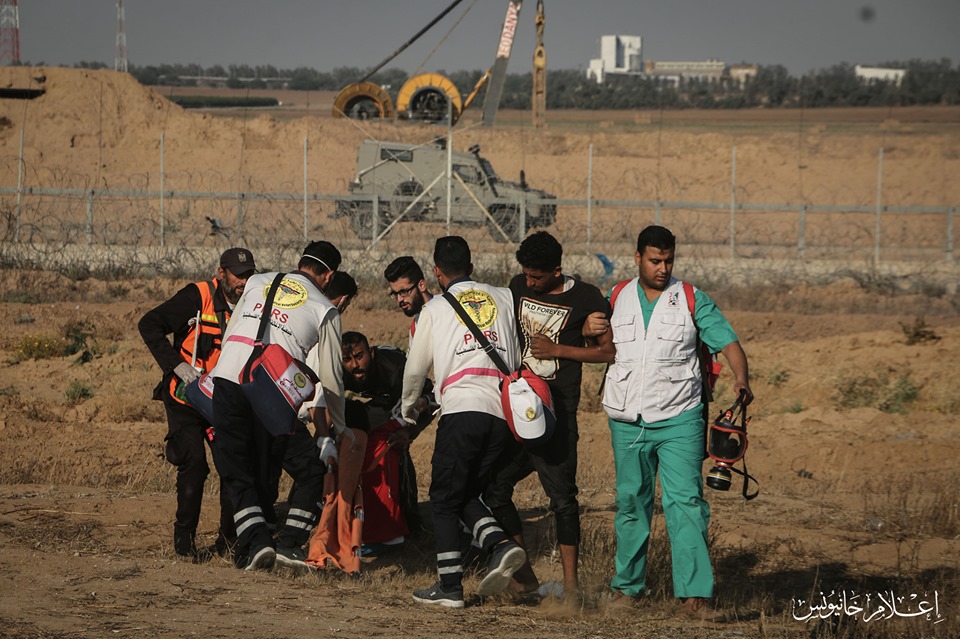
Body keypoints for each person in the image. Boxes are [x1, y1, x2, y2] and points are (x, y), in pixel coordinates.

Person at [600, 225, 753, 621]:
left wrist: (741, 379)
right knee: (632, 502)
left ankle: (695, 598)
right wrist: (586, 328)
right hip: (627, 419)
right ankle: (626, 590)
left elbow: (728, 342)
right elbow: (595, 339)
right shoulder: (617, 297)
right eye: (655, 260)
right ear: (638, 258)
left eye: (668, 260)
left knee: (686, 502)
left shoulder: (690, 298)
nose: (663, 268)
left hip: (680, 417)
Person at [484, 231, 615, 603]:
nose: (529, 282)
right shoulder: (516, 286)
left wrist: (559, 348)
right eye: (526, 274)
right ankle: (525, 580)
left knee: (562, 500)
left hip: (558, 414)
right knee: (495, 488)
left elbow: (608, 353)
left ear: (557, 270)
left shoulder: (586, 297)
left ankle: (572, 590)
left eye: (537, 277)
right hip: (517, 409)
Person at [400, 236, 528, 609]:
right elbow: (517, 354)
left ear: (437, 273)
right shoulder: (504, 297)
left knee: (441, 496)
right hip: (503, 414)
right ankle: (498, 546)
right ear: (472, 267)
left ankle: (452, 586)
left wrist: (409, 410)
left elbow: (414, 370)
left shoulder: (435, 309)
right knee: (462, 492)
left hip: (462, 410)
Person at [208, 240, 347, 572]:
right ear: (328, 276)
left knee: (238, 468)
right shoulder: (324, 308)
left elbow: (231, 332)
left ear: (301, 263)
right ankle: (287, 543)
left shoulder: (257, 281)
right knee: (310, 468)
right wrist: (335, 430)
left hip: (227, 378)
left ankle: (255, 543)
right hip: (271, 392)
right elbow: (331, 378)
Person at [138, 247, 256, 560]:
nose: (244, 281)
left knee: (233, 466)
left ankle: (229, 543)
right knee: (194, 464)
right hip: (185, 396)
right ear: (222, 273)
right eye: (238, 275)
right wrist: (176, 365)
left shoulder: (254, 306)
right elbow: (148, 324)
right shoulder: (197, 296)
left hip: (224, 401)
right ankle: (184, 543)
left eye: (249, 274)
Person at [383, 255, 433, 344]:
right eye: (395, 293)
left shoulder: (446, 313)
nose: (399, 299)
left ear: (421, 285)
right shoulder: (415, 328)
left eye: (404, 292)